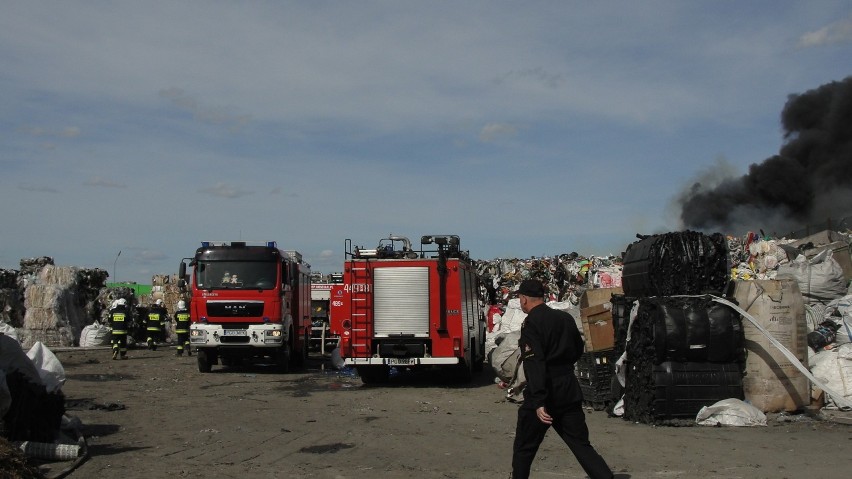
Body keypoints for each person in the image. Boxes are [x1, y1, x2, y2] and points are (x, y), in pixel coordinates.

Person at [511, 279, 613, 479]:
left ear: (523, 299)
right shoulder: (564, 318)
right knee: (580, 443)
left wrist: (539, 400)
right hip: (568, 388)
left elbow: (536, 363)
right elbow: (577, 348)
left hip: (545, 392)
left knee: (525, 447)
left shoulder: (532, 323)